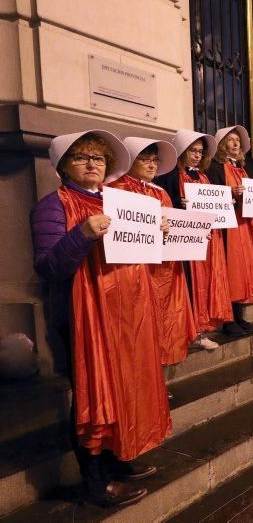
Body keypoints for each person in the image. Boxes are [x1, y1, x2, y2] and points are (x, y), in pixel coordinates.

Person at [30, 130, 171, 508]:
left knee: (125, 385)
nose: (92, 163)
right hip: (82, 317)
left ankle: (117, 457)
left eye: (98, 158)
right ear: (63, 166)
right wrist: (82, 234)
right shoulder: (52, 205)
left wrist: (158, 232)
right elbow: (48, 267)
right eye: (81, 157)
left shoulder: (120, 200)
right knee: (94, 394)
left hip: (127, 313)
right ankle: (95, 484)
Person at [108, 138, 199, 363]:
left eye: (155, 160)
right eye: (145, 160)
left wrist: (194, 233)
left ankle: (163, 362)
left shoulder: (160, 192)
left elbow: (173, 226)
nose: (152, 165)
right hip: (135, 269)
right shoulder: (114, 189)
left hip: (165, 268)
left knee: (166, 316)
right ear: (129, 160)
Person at [156, 130, 235, 343]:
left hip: (209, 238)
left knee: (208, 280)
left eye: (200, 152)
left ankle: (203, 326)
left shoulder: (203, 176)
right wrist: (179, 205)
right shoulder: (170, 176)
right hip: (185, 238)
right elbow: (165, 206)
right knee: (191, 282)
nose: (198, 155)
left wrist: (226, 205)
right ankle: (192, 330)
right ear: (182, 151)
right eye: (193, 150)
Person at [207, 125, 253, 334]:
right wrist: (230, 193)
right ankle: (228, 320)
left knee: (245, 270)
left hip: (246, 225)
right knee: (232, 269)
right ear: (222, 144)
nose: (236, 143)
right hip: (229, 228)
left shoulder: (244, 167)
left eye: (238, 140)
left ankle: (240, 316)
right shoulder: (214, 167)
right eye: (231, 139)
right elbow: (209, 196)